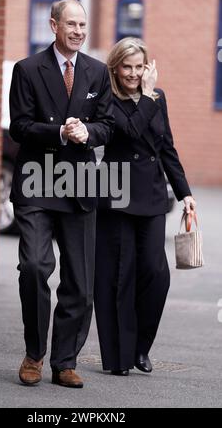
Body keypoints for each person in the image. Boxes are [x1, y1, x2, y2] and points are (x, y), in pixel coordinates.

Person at [9, 0, 114, 388]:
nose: (78, 32)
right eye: (71, 24)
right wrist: (58, 131)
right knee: (35, 267)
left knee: (80, 282)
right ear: (53, 25)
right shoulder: (27, 69)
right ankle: (34, 354)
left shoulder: (97, 72)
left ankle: (64, 361)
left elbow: (108, 124)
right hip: (37, 182)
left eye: (83, 25)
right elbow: (19, 126)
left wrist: (89, 133)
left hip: (80, 186)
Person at [94, 37, 196, 376]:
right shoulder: (107, 98)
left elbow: (165, 145)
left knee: (156, 273)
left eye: (139, 67)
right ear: (115, 67)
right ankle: (120, 359)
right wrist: (149, 96)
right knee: (120, 277)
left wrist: (184, 192)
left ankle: (141, 347)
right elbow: (131, 130)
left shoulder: (157, 97)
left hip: (151, 195)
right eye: (128, 66)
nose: (134, 73)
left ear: (146, 66)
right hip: (119, 195)